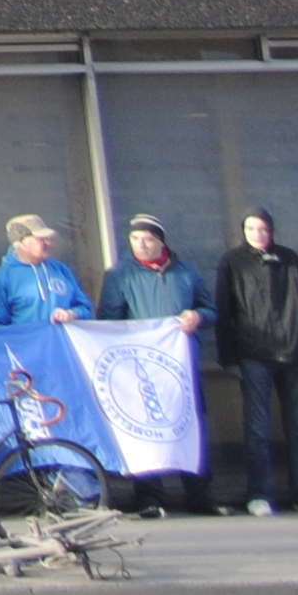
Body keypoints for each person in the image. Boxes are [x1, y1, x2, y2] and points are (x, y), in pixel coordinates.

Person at [100, 214, 213, 515]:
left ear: (161, 241)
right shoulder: (120, 275)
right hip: (142, 366)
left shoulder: (185, 273)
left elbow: (209, 308)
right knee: (148, 427)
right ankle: (150, 497)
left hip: (183, 363)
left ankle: (200, 495)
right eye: (135, 239)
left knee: (193, 425)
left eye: (148, 239)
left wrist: (198, 317)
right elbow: (108, 319)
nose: (141, 244)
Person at [218, 210, 298, 515]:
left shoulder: (290, 259)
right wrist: (229, 357)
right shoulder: (233, 262)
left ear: (271, 231)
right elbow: (224, 310)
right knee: (257, 429)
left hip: (293, 354)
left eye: (262, 228)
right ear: (243, 231)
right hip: (254, 356)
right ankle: (259, 494)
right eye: (251, 228)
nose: (257, 233)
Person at [0, 215, 93, 327]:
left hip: (62, 343)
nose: (48, 243)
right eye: (41, 239)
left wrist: (71, 314)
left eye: (49, 239)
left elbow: (85, 308)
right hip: (25, 343)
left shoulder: (61, 270)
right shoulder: (2, 278)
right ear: (21, 241)